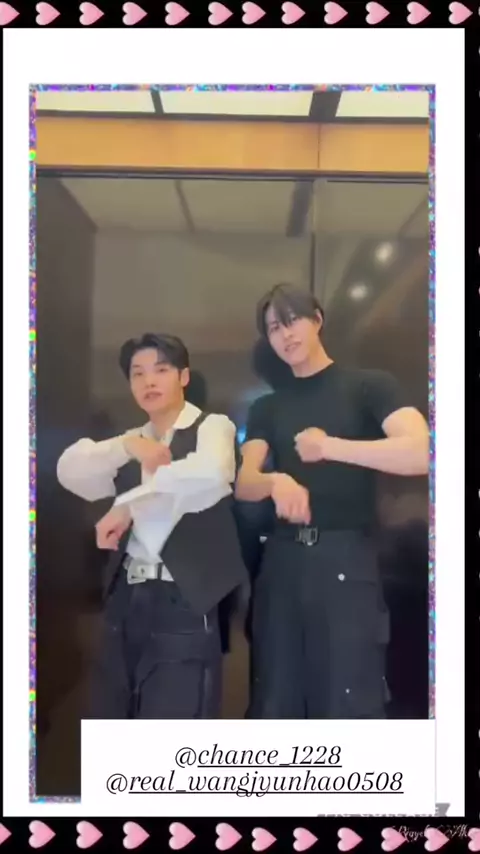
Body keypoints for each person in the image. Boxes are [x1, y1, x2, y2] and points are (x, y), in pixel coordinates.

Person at [236, 284, 429, 719]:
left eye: (292, 320)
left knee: (347, 697)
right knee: (275, 699)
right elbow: (244, 482)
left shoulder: (369, 386)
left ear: (317, 319)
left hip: (346, 558)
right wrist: (275, 482)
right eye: (273, 328)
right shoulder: (268, 408)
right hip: (282, 562)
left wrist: (331, 447)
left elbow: (422, 452)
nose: (285, 334)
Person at [57, 333, 247, 719]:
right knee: (113, 714)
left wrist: (128, 505)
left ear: (183, 377)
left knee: (173, 723)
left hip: (183, 597)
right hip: (126, 597)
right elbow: (69, 470)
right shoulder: (134, 440)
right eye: (138, 373)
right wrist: (126, 446)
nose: (149, 381)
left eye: (161, 370)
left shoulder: (213, 427)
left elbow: (211, 474)